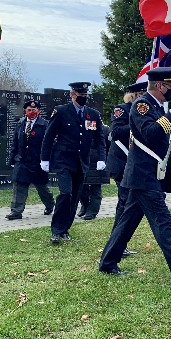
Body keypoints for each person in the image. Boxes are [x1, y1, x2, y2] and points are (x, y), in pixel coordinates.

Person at [97, 67, 171, 284]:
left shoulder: (156, 107)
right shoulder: (142, 105)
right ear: (159, 85)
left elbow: (163, 146)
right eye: (170, 85)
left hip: (146, 175)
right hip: (143, 175)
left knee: (127, 222)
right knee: (162, 221)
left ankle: (108, 262)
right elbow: (150, 134)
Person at [40, 82, 106, 244]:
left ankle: (65, 229)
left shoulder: (93, 115)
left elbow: (99, 139)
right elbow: (49, 136)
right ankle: (56, 230)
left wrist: (101, 158)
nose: (83, 98)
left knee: (75, 196)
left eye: (85, 96)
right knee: (65, 193)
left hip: (81, 162)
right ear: (72, 95)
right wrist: (44, 158)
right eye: (80, 95)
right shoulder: (62, 112)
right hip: (63, 160)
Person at [105, 82, 145, 257]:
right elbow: (116, 132)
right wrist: (136, 125)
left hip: (133, 164)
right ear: (135, 95)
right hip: (121, 163)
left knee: (128, 204)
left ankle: (119, 243)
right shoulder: (122, 109)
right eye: (142, 94)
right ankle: (117, 245)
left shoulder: (143, 111)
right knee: (124, 204)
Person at [5, 99, 55, 220]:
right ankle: (16, 211)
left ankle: (50, 204)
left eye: (34, 110)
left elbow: (50, 143)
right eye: (29, 110)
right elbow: (15, 143)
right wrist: (12, 159)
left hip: (37, 161)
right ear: (25, 111)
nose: (31, 112)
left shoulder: (45, 125)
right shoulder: (20, 123)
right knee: (19, 185)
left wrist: (47, 160)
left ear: (38, 111)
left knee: (41, 187)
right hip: (22, 160)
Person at [77, 121, 111, 220]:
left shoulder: (105, 129)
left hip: (97, 162)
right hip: (82, 161)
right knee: (81, 188)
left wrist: (104, 159)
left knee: (95, 188)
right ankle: (85, 206)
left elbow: (108, 145)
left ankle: (92, 212)